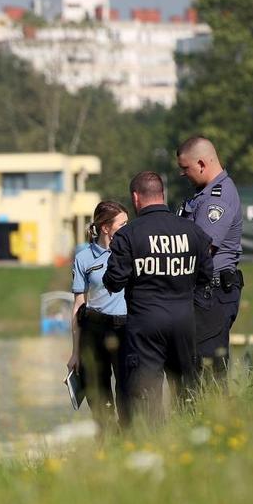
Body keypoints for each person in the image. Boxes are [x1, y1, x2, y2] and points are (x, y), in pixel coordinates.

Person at [103, 171, 214, 425]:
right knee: (187, 388)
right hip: (185, 321)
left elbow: (114, 281)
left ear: (135, 197)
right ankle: (190, 436)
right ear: (162, 194)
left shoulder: (128, 235)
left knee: (146, 393)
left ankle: (154, 444)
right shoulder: (192, 231)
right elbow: (207, 274)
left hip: (145, 324)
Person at [176, 137, 243, 386]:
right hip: (202, 294)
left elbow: (200, 250)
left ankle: (215, 420)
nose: (183, 174)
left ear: (202, 164)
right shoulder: (201, 195)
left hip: (212, 294)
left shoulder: (218, 197)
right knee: (193, 371)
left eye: (185, 168)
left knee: (209, 375)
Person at [67, 201, 130, 428]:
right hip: (95, 330)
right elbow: (78, 305)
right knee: (99, 395)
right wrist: (75, 353)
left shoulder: (131, 252)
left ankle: (128, 440)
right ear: (106, 227)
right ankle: (105, 442)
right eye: (122, 224)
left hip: (125, 329)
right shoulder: (83, 258)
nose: (127, 227)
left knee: (126, 390)